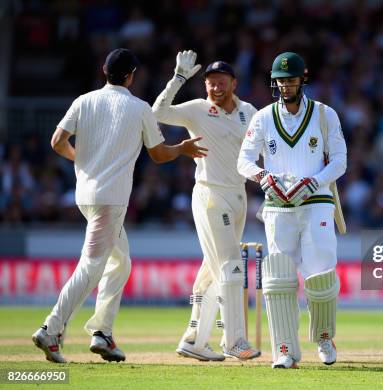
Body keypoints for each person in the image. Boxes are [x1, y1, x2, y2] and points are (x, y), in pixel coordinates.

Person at [32, 48, 206, 364]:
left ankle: (102, 333)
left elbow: (57, 141)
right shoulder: (139, 108)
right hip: (111, 200)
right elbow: (158, 154)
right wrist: (181, 148)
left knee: (120, 262)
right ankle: (51, 328)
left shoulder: (83, 101)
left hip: (86, 196)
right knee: (91, 266)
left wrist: (85, 163)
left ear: (104, 70)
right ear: (131, 76)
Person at [237, 52, 347, 368]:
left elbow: (340, 161)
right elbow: (243, 159)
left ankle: (324, 338)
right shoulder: (262, 117)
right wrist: (262, 176)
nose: (285, 86)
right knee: (279, 279)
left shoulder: (326, 115)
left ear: (303, 78)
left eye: (291, 80)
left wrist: (314, 182)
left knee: (321, 274)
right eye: (281, 81)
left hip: (316, 204)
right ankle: (284, 349)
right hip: (278, 206)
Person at [152, 51, 260, 361]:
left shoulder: (249, 112)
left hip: (239, 195)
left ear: (233, 83)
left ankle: (194, 340)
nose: (215, 88)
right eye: (210, 83)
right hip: (211, 195)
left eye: (221, 82)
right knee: (231, 265)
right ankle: (234, 340)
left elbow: (264, 145)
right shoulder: (198, 109)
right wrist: (178, 79)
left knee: (213, 272)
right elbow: (158, 112)